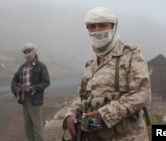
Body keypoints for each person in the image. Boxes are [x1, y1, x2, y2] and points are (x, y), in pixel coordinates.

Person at [62, 7, 151, 141]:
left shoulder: (131, 56)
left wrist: (103, 114)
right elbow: (83, 98)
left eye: (103, 25)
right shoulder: (91, 64)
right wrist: (71, 114)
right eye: (91, 26)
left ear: (114, 26)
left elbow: (142, 94)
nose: (97, 31)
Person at [11, 43, 50, 141]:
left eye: (29, 51)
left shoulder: (41, 67)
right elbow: (14, 81)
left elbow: (46, 82)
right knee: (28, 126)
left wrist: (33, 88)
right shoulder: (22, 67)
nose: (27, 54)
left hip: (35, 99)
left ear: (34, 52)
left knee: (37, 126)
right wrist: (16, 89)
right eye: (25, 52)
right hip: (24, 99)